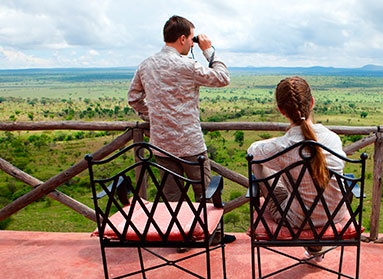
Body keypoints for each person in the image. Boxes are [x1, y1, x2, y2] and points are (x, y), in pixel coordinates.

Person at [128, 15, 235, 245]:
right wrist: (209, 51)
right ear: (183, 38)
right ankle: (211, 238)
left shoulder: (146, 65)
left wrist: (154, 116)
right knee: (205, 194)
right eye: (191, 39)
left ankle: (180, 240)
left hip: (161, 145)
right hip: (191, 144)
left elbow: (134, 98)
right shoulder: (186, 65)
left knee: (172, 199)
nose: (192, 44)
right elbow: (223, 78)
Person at [247, 76, 349, 261]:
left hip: (298, 221)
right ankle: (315, 250)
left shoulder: (284, 146)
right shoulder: (333, 138)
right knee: (304, 181)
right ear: (311, 103)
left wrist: (275, 141)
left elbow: (252, 152)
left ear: (281, 110)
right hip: (335, 216)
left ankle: (314, 248)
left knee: (260, 163)